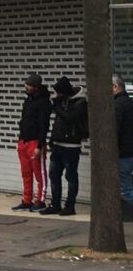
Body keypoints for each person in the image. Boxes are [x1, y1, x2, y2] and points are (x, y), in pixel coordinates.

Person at [41, 76, 87, 216]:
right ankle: (55, 204)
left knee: (71, 176)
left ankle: (70, 205)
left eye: (58, 93)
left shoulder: (80, 102)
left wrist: (57, 107)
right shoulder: (62, 101)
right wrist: (52, 139)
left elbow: (70, 118)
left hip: (71, 146)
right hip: (58, 144)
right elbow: (58, 123)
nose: (56, 95)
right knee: (54, 175)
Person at [12, 74, 51, 211]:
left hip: (35, 142)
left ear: (35, 87)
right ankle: (27, 199)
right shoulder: (28, 101)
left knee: (39, 174)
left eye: (29, 85)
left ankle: (40, 200)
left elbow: (44, 126)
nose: (26, 87)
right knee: (26, 173)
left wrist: (40, 146)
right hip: (24, 140)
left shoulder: (44, 102)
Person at [113, 75, 133, 220]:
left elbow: (116, 128)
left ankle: (128, 215)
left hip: (123, 151)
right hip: (129, 150)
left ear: (115, 87)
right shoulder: (129, 102)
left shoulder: (118, 105)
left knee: (125, 187)